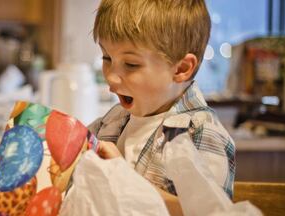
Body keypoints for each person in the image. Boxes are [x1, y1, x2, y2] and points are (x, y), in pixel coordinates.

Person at [88, 0, 235, 215]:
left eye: (131, 64)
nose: (110, 76)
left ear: (181, 68)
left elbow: (204, 211)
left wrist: (123, 178)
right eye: (107, 57)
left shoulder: (201, 134)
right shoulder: (114, 120)